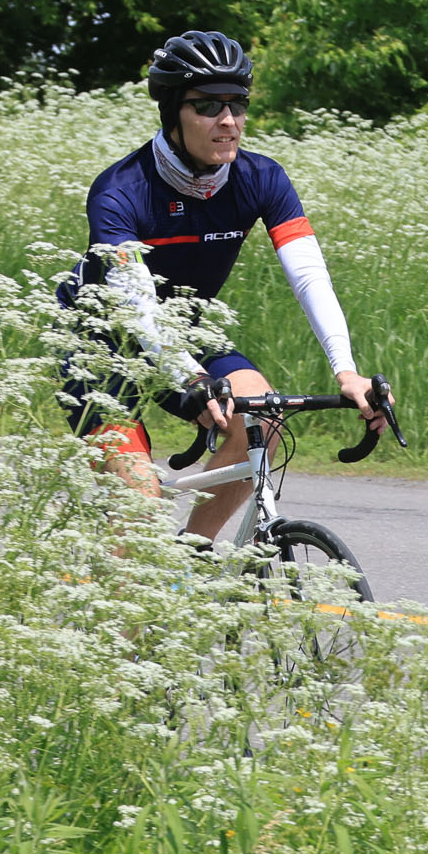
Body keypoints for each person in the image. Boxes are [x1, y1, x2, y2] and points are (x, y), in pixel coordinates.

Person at [56, 29, 390, 541]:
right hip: (102, 341)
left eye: (238, 104)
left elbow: (308, 275)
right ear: (173, 112)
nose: (228, 120)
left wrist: (347, 371)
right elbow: (136, 304)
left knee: (265, 419)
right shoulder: (121, 190)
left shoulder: (261, 178)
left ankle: (191, 556)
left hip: (185, 327)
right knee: (139, 503)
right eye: (208, 105)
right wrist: (190, 378)